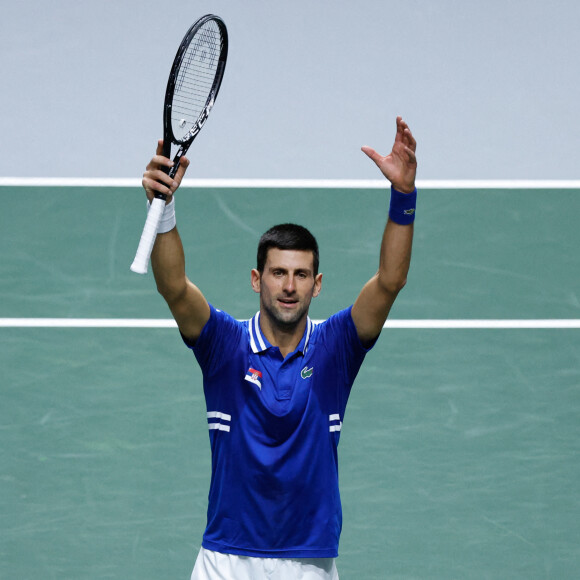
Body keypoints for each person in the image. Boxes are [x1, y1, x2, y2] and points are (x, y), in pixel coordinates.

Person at [141, 116, 417, 580]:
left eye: (301, 275)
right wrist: (163, 207)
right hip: (226, 560)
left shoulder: (336, 349)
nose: (289, 286)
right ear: (257, 280)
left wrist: (404, 197)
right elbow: (174, 287)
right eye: (278, 273)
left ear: (317, 285)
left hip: (307, 562)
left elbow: (390, 282)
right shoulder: (225, 346)